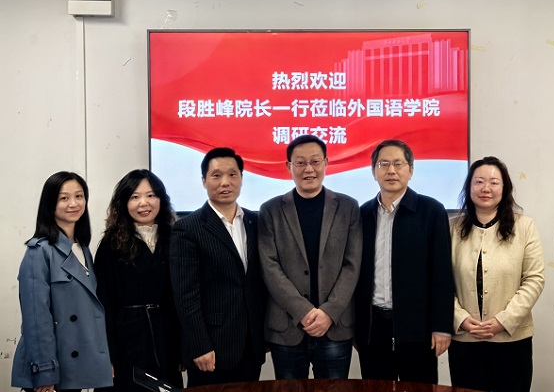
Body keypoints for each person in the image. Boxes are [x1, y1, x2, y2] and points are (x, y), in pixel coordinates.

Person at [258, 134, 362, 379]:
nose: (309, 169)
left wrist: (328, 312)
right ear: (289, 166)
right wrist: (303, 311)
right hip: (287, 328)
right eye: (300, 163)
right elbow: (269, 267)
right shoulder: (270, 210)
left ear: (326, 163)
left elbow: (352, 265)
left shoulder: (348, 207)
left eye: (315, 161)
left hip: (334, 326)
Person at [355, 139, 454, 384]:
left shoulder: (431, 211)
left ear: (410, 170)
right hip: (373, 328)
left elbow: (442, 273)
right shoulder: (363, 214)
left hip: (418, 329)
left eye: (398, 164)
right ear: (373, 171)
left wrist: (441, 326)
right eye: (383, 164)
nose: (391, 170)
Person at [169, 147, 266, 386]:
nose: (225, 182)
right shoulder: (187, 228)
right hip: (211, 347)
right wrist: (199, 345)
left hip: (250, 344)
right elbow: (185, 295)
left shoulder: (256, 221)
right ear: (204, 181)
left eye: (232, 174)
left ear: (241, 178)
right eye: (216, 175)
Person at [448, 156, 545, 392]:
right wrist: (460, 318)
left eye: (494, 182)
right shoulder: (451, 227)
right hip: (465, 340)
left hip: (512, 339)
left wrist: (504, 320)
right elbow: (440, 282)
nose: (486, 188)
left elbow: (534, 279)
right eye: (479, 182)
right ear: (469, 187)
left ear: (505, 187)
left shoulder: (524, 226)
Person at [11, 171, 113, 392]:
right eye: (64, 198)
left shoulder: (82, 248)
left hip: (76, 366)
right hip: (53, 369)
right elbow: (36, 319)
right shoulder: (39, 251)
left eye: (79, 196)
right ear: (50, 204)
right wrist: (44, 372)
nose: (73, 204)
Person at [94, 169, 182, 391]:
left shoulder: (175, 238)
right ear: (124, 202)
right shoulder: (111, 244)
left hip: (166, 340)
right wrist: (107, 354)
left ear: (161, 199)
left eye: (151, 195)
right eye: (135, 197)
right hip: (127, 341)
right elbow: (102, 303)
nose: (144, 203)